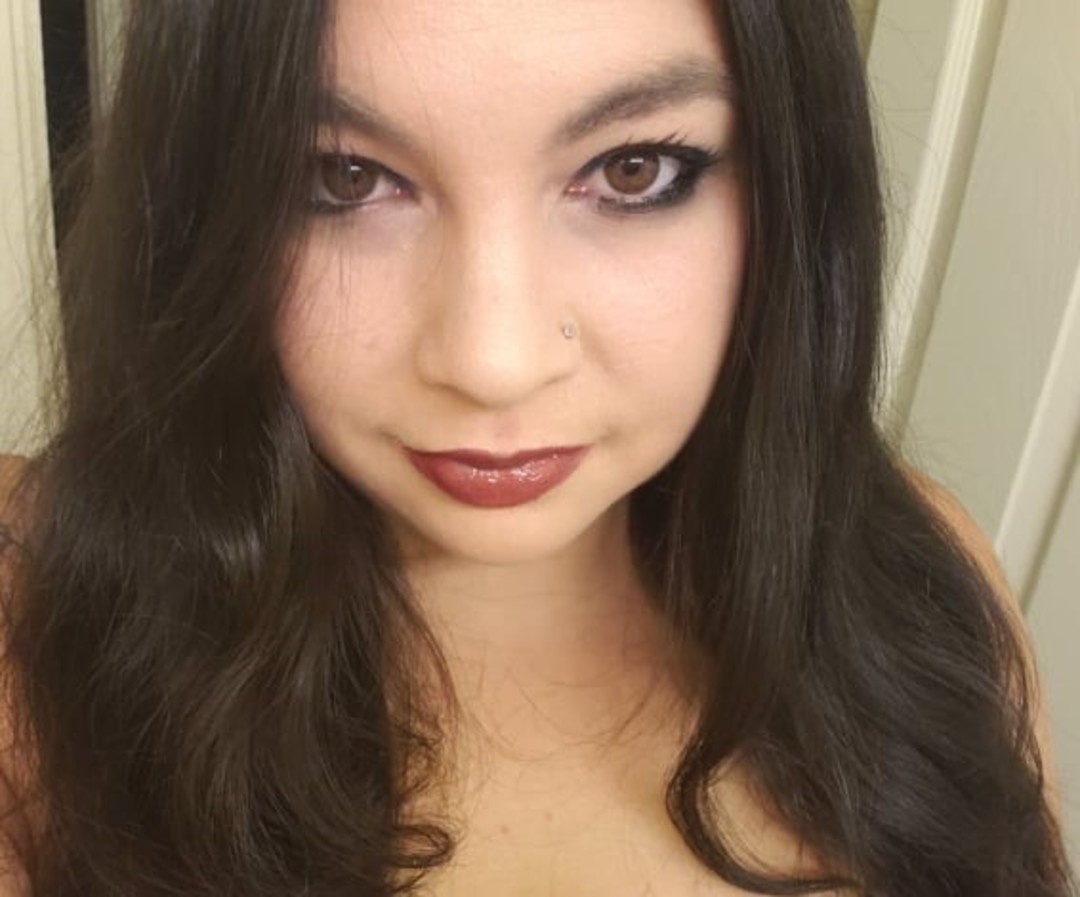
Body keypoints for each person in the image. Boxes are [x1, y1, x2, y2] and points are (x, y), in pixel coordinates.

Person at [0, 1, 1073, 895]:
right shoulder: (36, 635)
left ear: (788, 190)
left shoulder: (922, 579)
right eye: (342, 178)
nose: (494, 362)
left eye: (635, 170)